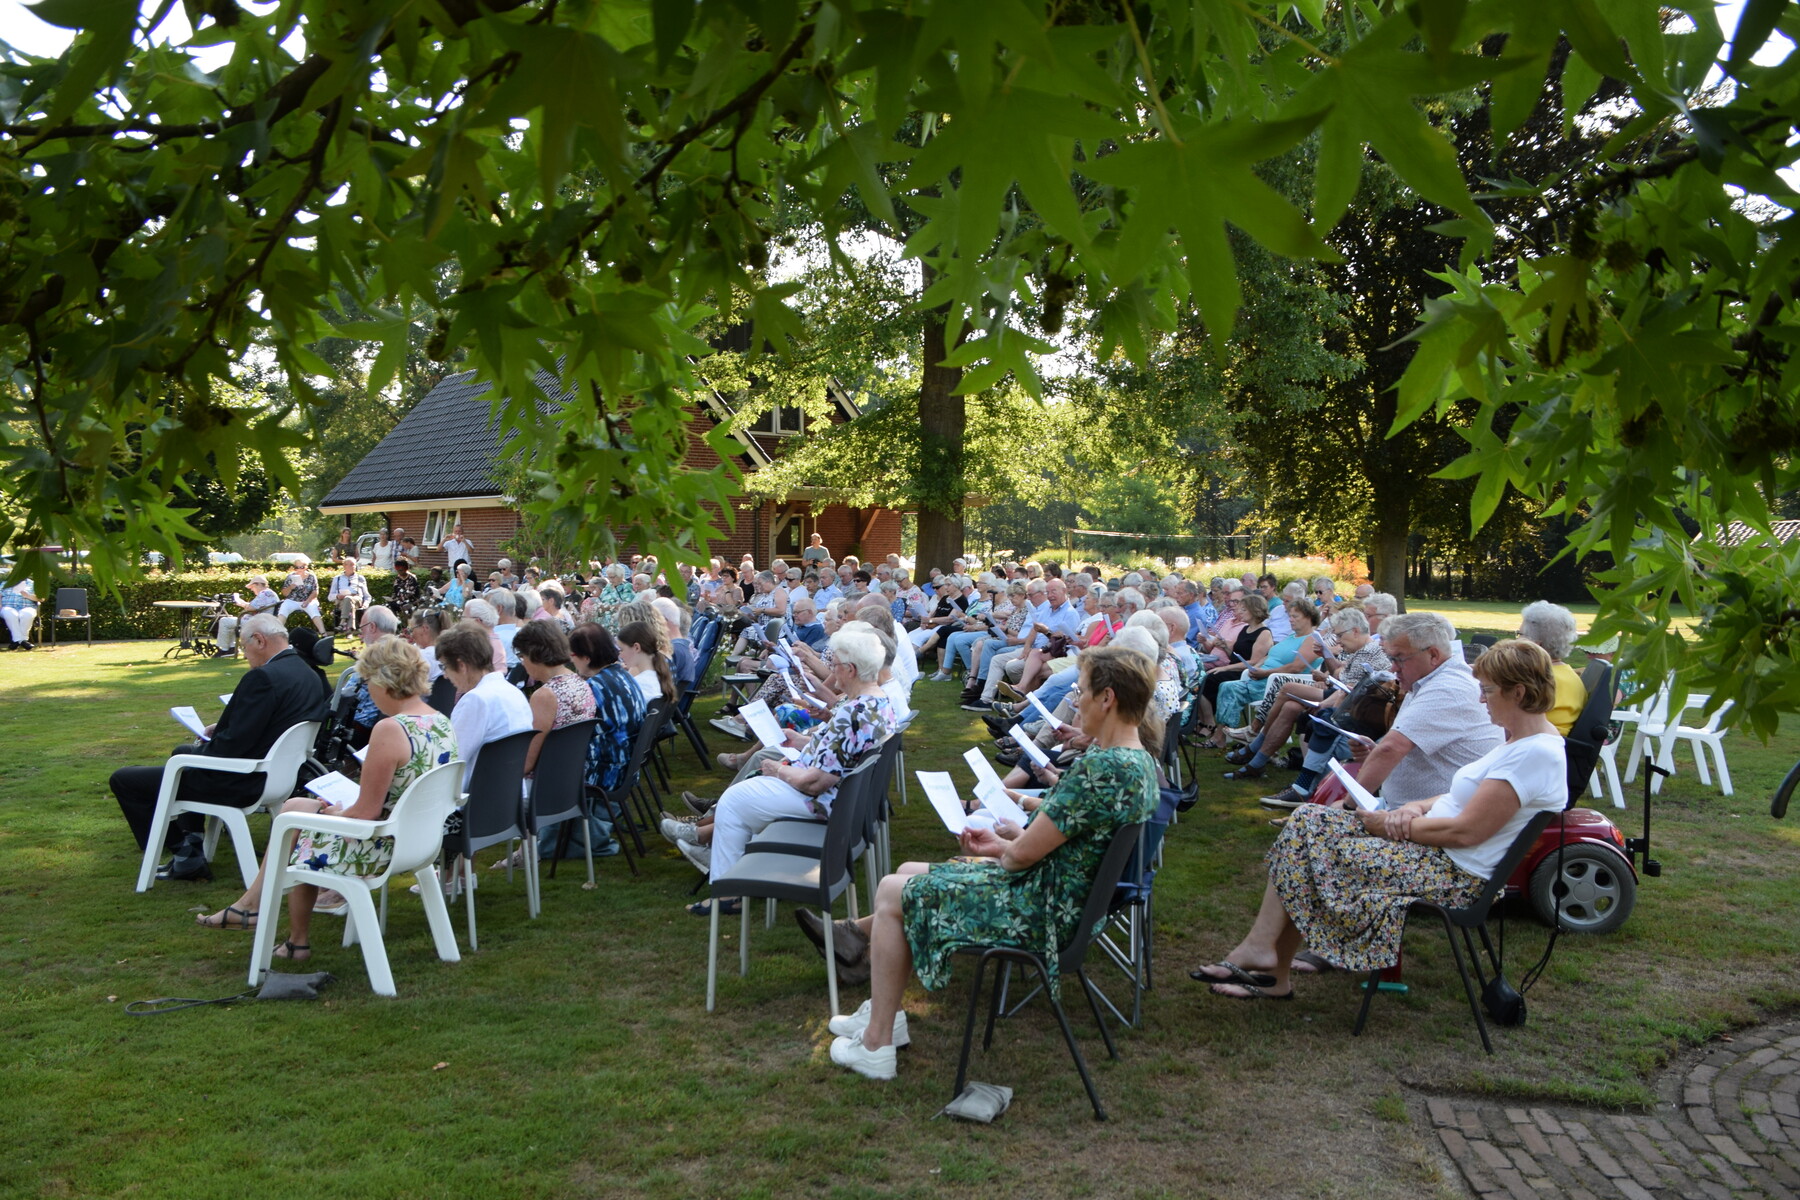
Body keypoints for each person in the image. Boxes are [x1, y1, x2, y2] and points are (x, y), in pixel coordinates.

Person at [825, 646, 1160, 1079]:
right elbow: (1063, 842)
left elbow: (1021, 857)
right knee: (905, 873)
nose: (1076, 702)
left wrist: (1003, 848)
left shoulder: (1102, 768)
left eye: (1081, 692)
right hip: (1060, 898)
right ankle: (885, 1014)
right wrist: (1004, 844)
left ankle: (876, 1044)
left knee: (892, 889)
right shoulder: (1137, 762)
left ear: (1107, 698)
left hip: (1040, 910)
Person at [1193, 639, 1568, 1000]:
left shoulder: (1534, 753)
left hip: (1452, 875)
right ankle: (1263, 954)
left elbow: (1466, 831)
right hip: (1435, 852)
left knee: (1308, 847)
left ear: (1518, 693)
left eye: (1487, 690)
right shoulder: (1522, 741)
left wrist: (1390, 825)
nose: (1481, 699)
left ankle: (1270, 964)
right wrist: (1417, 807)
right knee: (1308, 820)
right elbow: (1463, 795)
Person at [194, 636, 457, 951]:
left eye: (368, 683)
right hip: (421, 840)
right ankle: (261, 914)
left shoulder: (391, 729)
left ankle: (280, 929)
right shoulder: (439, 721)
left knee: (298, 830)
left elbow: (366, 813)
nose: (368, 692)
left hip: (381, 847)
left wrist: (335, 812)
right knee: (297, 806)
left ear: (383, 681)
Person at [684, 625, 896, 911]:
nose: (832, 671)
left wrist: (778, 770)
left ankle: (729, 893)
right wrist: (802, 740)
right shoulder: (876, 702)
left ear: (851, 669)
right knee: (747, 794)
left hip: (826, 802)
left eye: (835, 664)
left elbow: (815, 783)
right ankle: (745, 871)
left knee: (735, 800)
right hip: (843, 798)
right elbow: (842, 751)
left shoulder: (853, 713)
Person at [111, 613, 332, 870]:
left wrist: (201, 749)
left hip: (242, 781)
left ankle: (183, 850)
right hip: (281, 776)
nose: (245, 655)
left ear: (259, 640)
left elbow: (231, 747)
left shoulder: (263, 677)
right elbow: (274, 721)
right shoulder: (308, 673)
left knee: (125, 779)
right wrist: (220, 730)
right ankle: (193, 839)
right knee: (182, 752)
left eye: (244, 646)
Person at [1352, 612, 1505, 807]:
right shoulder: (1427, 680)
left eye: (1399, 659)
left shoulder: (1448, 689)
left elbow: (1392, 748)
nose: (1393, 668)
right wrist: (1375, 753)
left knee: (1322, 816)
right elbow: (1400, 749)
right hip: (1409, 810)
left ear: (1433, 655)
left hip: (1432, 815)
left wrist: (1349, 804)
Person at [438, 622, 534, 790]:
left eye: (444, 666)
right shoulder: (514, 693)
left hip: (476, 798)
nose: (445, 675)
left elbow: (452, 761)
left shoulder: (476, 700)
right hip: (510, 795)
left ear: (461, 665)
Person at [1518, 600, 1587, 735]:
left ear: (1535, 645)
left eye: (1520, 635)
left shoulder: (1537, 679)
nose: (1515, 641)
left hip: (1537, 742)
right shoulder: (1568, 674)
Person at [215, 574, 280, 654]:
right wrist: (242, 603)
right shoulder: (269, 593)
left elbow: (251, 608)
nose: (251, 590)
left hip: (256, 622)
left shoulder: (264, 593)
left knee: (224, 621)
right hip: (263, 621)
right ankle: (231, 647)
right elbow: (255, 607)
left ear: (257, 584)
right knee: (229, 622)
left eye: (252, 587)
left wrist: (239, 601)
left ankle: (225, 649)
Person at [277, 556, 326, 635]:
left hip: (308, 600)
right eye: (297, 567)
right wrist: (290, 587)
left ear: (306, 567)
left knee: (314, 611)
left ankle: (323, 633)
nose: (299, 569)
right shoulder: (290, 577)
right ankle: (277, 633)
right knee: (283, 610)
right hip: (292, 600)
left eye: (302, 567)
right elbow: (284, 593)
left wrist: (307, 601)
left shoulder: (311, 577)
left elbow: (315, 591)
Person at [327, 556, 372, 636]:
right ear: (344, 566)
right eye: (350, 564)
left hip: (357, 599)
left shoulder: (360, 578)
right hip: (341, 601)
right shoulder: (337, 578)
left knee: (348, 599)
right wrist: (337, 596)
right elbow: (330, 596)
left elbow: (367, 596)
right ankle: (349, 630)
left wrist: (366, 604)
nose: (353, 566)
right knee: (349, 603)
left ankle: (342, 624)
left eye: (354, 564)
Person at [2, 570, 39, 649]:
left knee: (27, 614)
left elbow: (41, 599)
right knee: (10, 614)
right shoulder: (5, 583)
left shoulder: (33, 584)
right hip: (8, 607)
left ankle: (17, 641)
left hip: (27, 607)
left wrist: (28, 596)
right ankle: (23, 641)